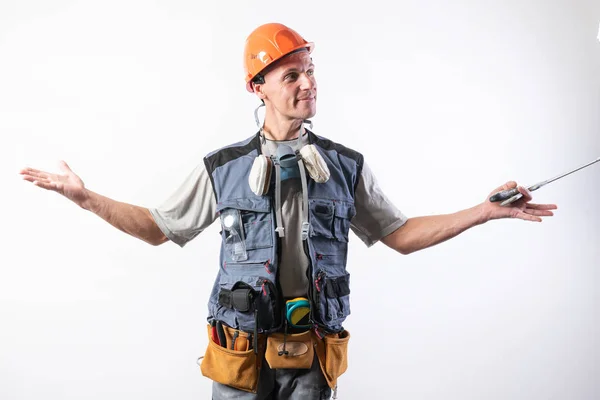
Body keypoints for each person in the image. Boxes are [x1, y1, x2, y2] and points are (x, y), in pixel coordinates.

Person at [19, 23, 557, 400]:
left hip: (311, 356)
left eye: (310, 70)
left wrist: (483, 211)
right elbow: (159, 228)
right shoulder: (224, 168)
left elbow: (401, 233)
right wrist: (84, 197)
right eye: (291, 75)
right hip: (241, 358)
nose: (308, 83)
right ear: (258, 87)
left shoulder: (345, 166)